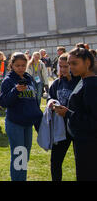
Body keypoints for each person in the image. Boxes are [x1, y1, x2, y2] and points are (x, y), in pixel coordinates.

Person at [0, 52, 43, 181]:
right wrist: (15, 91)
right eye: (17, 65)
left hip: (28, 123)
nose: (20, 68)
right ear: (11, 65)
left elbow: (34, 101)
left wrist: (38, 121)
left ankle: (21, 178)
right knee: (19, 156)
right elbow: (3, 102)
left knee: (25, 155)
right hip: (15, 123)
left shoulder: (29, 78)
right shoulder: (8, 80)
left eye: (23, 65)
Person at [56, 47, 97, 181]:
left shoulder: (91, 85)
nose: (70, 67)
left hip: (89, 143)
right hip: (81, 140)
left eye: (74, 63)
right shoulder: (83, 79)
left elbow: (93, 120)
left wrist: (67, 114)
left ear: (87, 63)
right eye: (69, 63)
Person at [46, 52, 80, 181]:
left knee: (81, 162)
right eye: (60, 66)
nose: (63, 69)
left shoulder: (80, 82)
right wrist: (52, 103)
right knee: (55, 161)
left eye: (66, 66)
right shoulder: (57, 83)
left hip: (77, 126)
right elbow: (51, 97)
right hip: (61, 128)